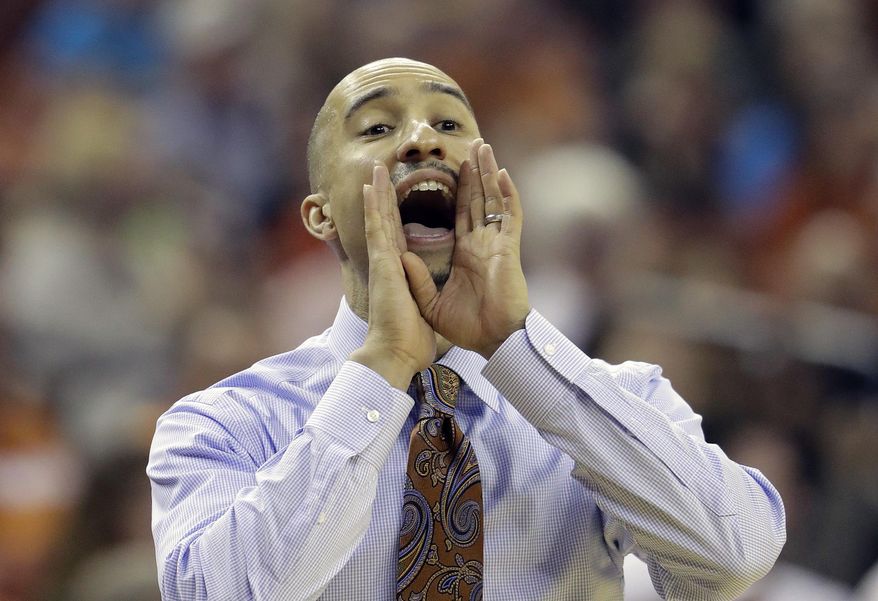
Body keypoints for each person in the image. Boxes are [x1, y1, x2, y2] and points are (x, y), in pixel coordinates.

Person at [147, 57, 786, 600]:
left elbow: (733, 557)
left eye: (449, 124)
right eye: (377, 126)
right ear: (319, 216)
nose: (423, 140)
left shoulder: (622, 401)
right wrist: (384, 367)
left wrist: (519, 344)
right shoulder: (222, 423)